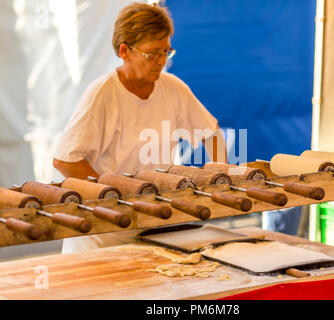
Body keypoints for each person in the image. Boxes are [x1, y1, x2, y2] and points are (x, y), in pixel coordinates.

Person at [53, 3, 226, 253]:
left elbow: (211, 133)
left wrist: (220, 177)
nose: (161, 61)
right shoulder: (102, 95)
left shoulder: (173, 88)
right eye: (152, 53)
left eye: (166, 51)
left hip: (154, 226)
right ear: (124, 51)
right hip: (102, 236)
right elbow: (65, 162)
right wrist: (112, 196)